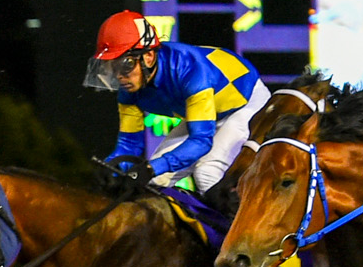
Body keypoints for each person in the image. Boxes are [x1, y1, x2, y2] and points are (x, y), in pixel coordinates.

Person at [84, 11, 266, 192]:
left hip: (247, 104)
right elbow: (130, 144)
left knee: (207, 174)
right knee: (155, 182)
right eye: (111, 66)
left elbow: (201, 141)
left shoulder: (189, 70)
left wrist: (150, 169)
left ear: (148, 57)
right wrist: (111, 168)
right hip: (208, 112)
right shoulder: (129, 90)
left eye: (125, 65)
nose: (119, 76)